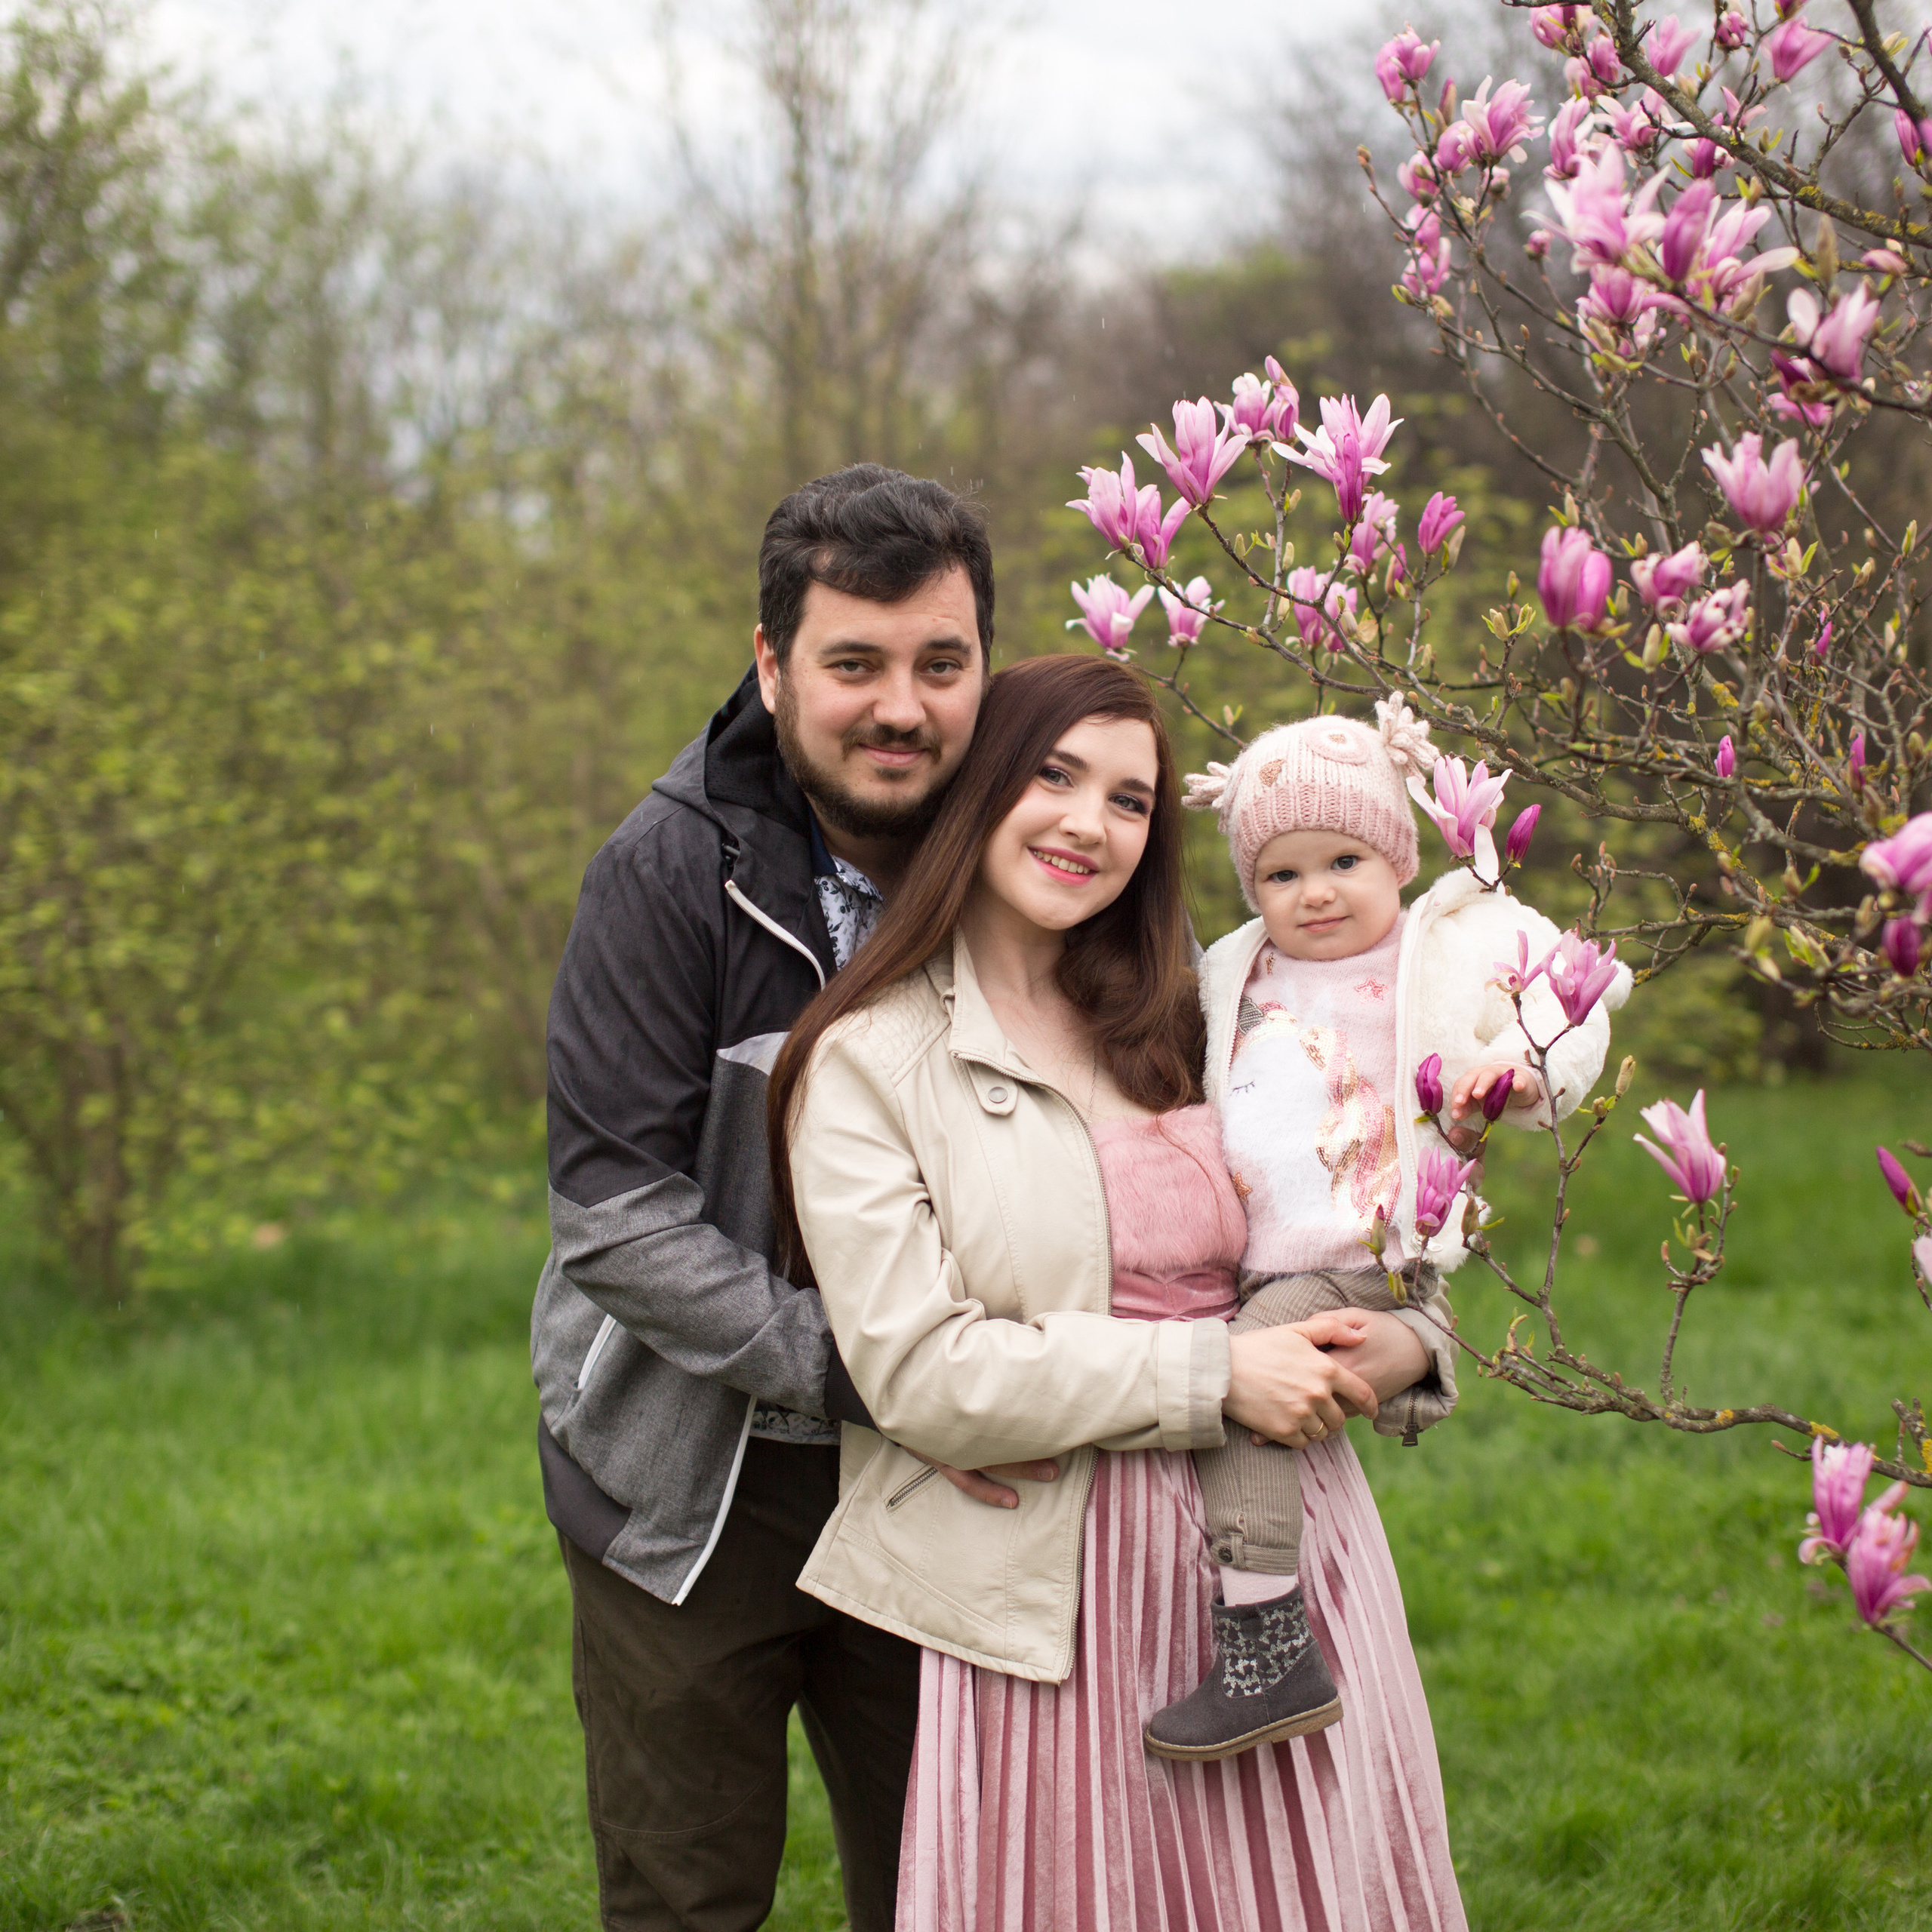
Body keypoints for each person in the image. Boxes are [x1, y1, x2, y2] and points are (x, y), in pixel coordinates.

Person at [769, 654, 1455, 1931]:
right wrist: (1217, 1376)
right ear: (976, 790)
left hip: (1289, 1550)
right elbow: (921, 1373)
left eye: (1132, 801)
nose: (1092, 822)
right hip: (1058, 1584)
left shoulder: (1198, 1022)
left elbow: (1363, 1218)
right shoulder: (867, 1063)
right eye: (1054, 775)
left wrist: (1414, 1345)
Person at [532, 464, 1015, 1931]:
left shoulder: (1033, 855)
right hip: (686, 1484)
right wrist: (867, 1365)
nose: (900, 707)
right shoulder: (667, 873)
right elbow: (614, 1217)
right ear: (769, 659)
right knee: (687, 1894)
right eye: (852, 663)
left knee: (957, 1888)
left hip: (941, 1480)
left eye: (939, 663)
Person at [1143, 702, 1630, 1763]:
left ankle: (1266, 1635)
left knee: (1241, 1397)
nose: (1314, 892)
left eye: (1344, 860)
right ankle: (1265, 1622)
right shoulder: (1240, 970)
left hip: (1362, 1255)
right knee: (1241, 1373)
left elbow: (1575, 1008)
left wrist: (1501, 1080)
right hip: (1268, 1256)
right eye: (1281, 874)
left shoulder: (1442, 950)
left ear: (1400, 860)